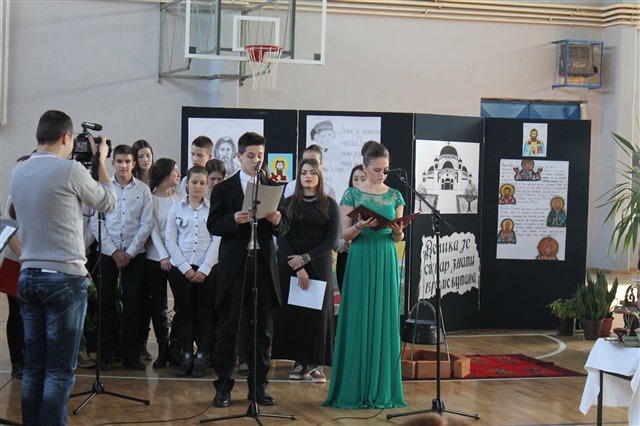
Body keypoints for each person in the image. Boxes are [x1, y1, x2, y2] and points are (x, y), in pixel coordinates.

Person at [8, 110, 116, 425]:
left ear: (38, 135)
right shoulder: (70, 170)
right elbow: (108, 202)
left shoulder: (18, 171)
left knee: (34, 367)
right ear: (67, 137)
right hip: (64, 279)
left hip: (28, 276)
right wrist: (101, 161)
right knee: (58, 370)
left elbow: (12, 213)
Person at [323, 140, 407, 409]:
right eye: (377, 169)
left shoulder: (395, 196)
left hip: (385, 257)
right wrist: (359, 225)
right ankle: (354, 387)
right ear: (365, 167)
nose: (382, 174)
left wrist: (398, 231)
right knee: (358, 317)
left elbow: (397, 237)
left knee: (384, 317)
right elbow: (344, 235)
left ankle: (382, 388)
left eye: (386, 170)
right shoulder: (351, 195)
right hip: (360, 256)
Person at [207, 131, 288, 408]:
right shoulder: (225, 188)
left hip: (262, 263)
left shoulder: (273, 187)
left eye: (260, 156)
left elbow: (284, 227)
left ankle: (259, 387)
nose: (256, 160)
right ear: (239, 156)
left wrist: (277, 220)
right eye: (251, 156)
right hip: (235, 265)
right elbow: (213, 224)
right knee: (229, 327)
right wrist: (233, 219)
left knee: (262, 330)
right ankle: (223, 387)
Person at [272, 158, 340, 383]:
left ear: (319, 176)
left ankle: (316, 364)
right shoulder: (288, 202)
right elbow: (280, 235)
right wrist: (298, 265)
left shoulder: (329, 204)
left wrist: (307, 258)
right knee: (296, 315)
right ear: (298, 177)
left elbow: (332, 240)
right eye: (303, 173)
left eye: (312, 172)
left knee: (317, 316)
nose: (308, 176)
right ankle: (299, 362)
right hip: (290, 263)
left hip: (318, 263)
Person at [90, 144, 153, 371]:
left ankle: (131, 355)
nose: (123, 165)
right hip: (108, 253)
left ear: (133, 164)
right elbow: (95, 224)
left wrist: (129, 253)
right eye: (119, 161)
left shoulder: (143, 190)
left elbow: (146, 224)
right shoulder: (103, 188)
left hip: (134, 254)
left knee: (133, 305)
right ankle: (106, 355)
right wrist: (114, 252)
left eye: (127, 161)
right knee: (105, 304)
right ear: (112, 163)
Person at [166, 166, 219, 377]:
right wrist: (185, 268)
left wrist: (205, 268)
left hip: (207, 268)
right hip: (182, 269)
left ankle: (202, 355)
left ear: (207, 185)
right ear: (187, 184)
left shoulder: (213, 209)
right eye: (194, 182)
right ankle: (187, 354)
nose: (198, 186)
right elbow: (171, 240)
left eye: (202, 183)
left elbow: (217, 240)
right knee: (185, 313)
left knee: (205, 312)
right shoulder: (176, 209)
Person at [144, 158, 182, 368]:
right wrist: (163, 255)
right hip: (155, 258)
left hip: (178, 258)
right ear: (165, 174)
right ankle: (163, 349)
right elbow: (153, 230)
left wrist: (172, 255)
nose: (178, 174)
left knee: (181, 305)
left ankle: (176, 349)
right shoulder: (150, 199)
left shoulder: (180, 197)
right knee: (157, 305)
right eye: (175, 171)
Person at [336, 164, 367, 292]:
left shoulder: (377, 203)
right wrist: (342, 243)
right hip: (347, 256)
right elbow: (335, 234)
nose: (359, 183)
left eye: (363, 179)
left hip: (368, 255)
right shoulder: (344, 204)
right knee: (347, 293)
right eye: (355, 179)